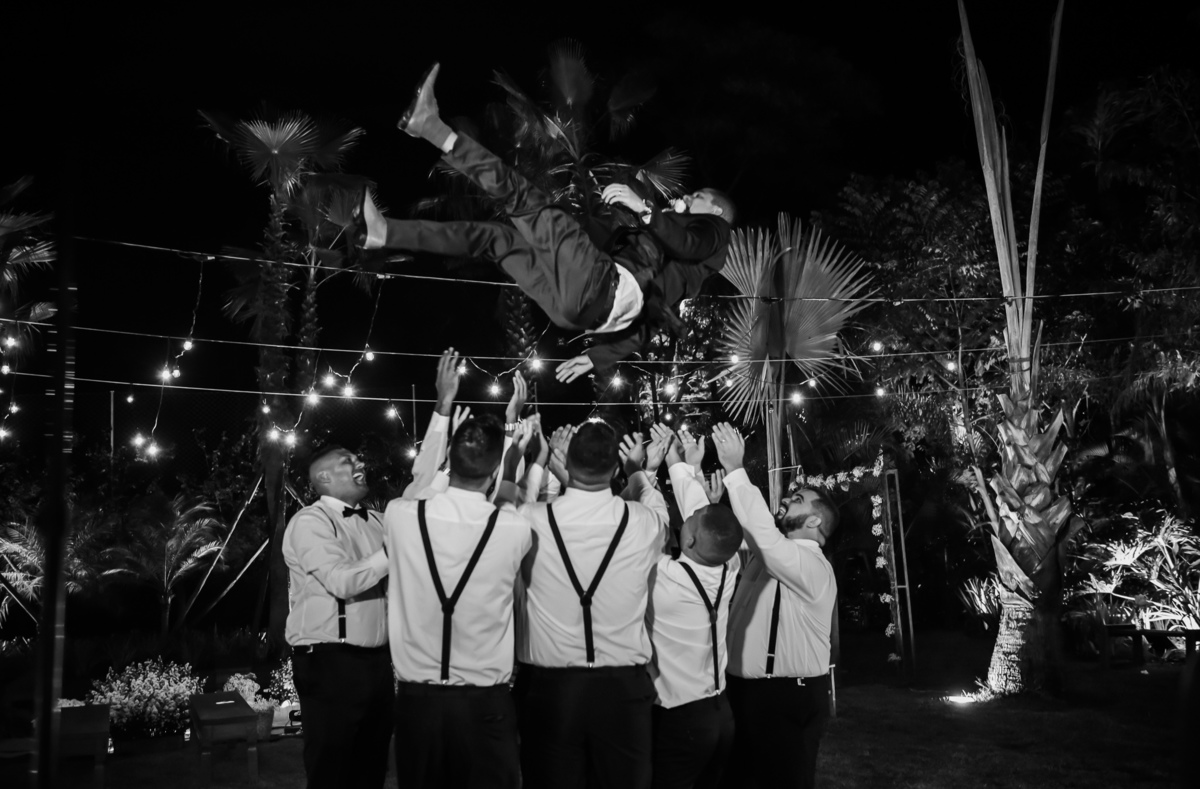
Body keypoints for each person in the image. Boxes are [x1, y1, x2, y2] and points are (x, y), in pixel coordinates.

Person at [353, 63, 734, 380]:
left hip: (601, 287)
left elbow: (689, 243)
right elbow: (650, 321)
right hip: (580, 311)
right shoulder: (685, 273)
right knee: (497, 239)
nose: (688, 197)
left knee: (523, 199)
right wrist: (598, 357)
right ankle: (384, 232)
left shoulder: (715, 232)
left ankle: (430, 127)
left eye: (697, 196)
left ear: (715, 211)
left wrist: (646, 209)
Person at [513, 420, 670, 789]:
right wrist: (636, 470)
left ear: (566, 463)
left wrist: (542, 460)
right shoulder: (644, 522)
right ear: (614, 469)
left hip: (550, 691)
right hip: (622, 692)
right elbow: (655, 505)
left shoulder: (530, 518)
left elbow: (511, 506)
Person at [382, 415, 534, 788]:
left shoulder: (400, 515)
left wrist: (447, 463)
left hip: (418, 704)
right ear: (494, 469)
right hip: (485, 704)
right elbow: (506, 504)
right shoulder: (515, 528)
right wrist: (511, 461)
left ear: (450, 458)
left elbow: (423, 493)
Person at [711, 422, 839, 789]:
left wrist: (736, 469)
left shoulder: (812, 565)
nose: (786, 500)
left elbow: (764, 536)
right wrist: (701, 493)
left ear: (815, 520)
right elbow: (714, 542)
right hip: (744, 694)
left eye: (798, 500)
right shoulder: (768, 555)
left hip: (785, 698)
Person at [282, 445, 392, 789]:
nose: (361, 462)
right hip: (330, 662)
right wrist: (395, 548)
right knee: (332, 770)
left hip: (378, 662)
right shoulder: (309, 522)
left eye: (359, 458)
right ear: (324, 477)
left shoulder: (378, 521)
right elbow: (341, 581)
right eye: (349, 460)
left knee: (372, 767)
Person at [646, 430, 744, 789]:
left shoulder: (664, 577)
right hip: (721, 714)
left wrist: (647, 471)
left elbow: (649, 526)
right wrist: (679, 461)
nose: (684, 516)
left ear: (687, 540)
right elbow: (703, 518)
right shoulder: (729, 565)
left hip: (680, 718)